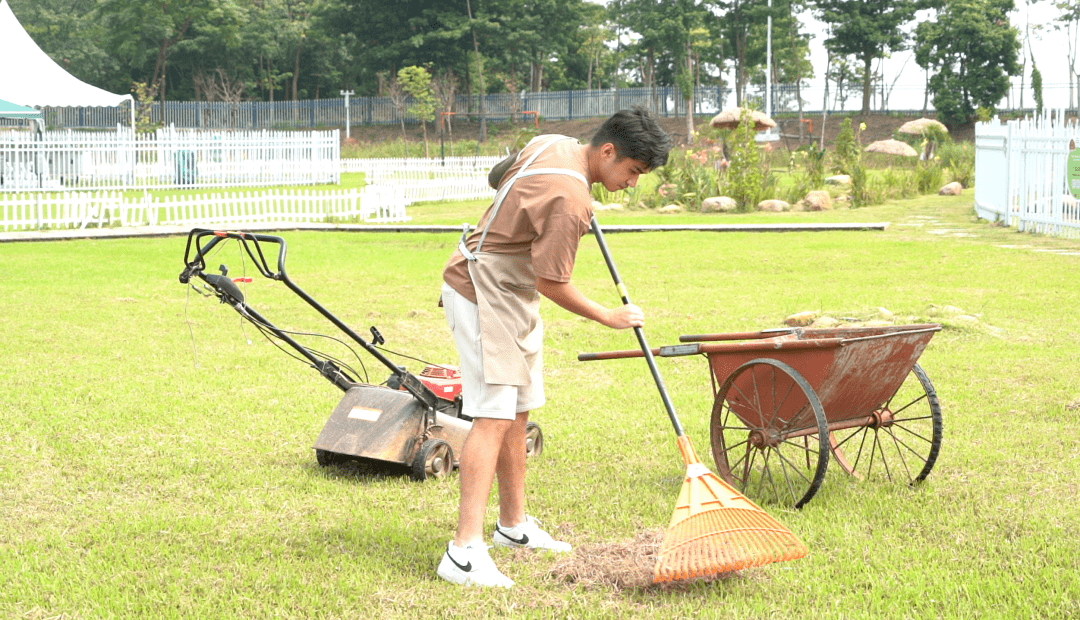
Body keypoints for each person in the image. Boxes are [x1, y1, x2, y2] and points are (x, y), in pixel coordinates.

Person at [436, 106, 672, 588]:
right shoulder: (571, 200)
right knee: (493, 415)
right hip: (482, 289)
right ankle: (462, 552)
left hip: (509, 289)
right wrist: (610, 315)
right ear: (607, 151)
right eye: (631, 172)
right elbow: (551, 281)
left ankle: (513, 526)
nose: (631, 184)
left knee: (518, 410)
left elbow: (498, 175)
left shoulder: (553, 143)